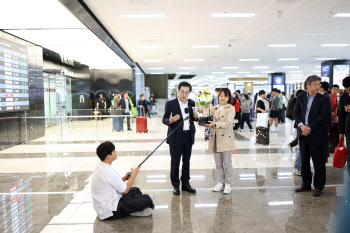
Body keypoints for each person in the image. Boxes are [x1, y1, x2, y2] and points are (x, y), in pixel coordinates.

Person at [91, 141, 154, 220]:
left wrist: (124, 178)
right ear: (108, 157)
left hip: (106, 204)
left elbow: (111, 183)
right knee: (146, 199)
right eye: (114, 151)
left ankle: (135, 207)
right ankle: (136, 207)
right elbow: (125, 191)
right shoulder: (108, 171)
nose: (116, 152)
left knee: (136, 190)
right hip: (110, 211)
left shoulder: (101, 166)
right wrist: (134, 174)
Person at [294, 75, 331, 197]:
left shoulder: (324, 98)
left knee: (318, 161)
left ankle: (319, 186)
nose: (317, 86)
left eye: (318, 84)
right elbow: (296, 112)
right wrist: (301, 126)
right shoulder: (301, 97)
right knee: (304, 160)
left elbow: (323, 116)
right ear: (307, 86)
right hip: (303, 133)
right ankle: (306, 184)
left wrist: (309, 127)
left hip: (316, 134)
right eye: (315, 84)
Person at [162, 81, 199, 195]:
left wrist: (196, 118)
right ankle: (175, 185)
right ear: (178, 91)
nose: (184, 94)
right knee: (175, 161)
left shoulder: (192, 104)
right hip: (175, 137)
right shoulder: (171, 104)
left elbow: (192, 119)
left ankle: (186, 184)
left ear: (189, 93)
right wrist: (170, 120)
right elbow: (164, 119)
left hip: (188, 135)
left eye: (187, 92)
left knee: (186, 161)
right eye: (182, 92)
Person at [205, 88, 235, 194]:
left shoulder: (231, 108)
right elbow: (210, 119)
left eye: (225, 96)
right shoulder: (214, 108)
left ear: (229, 98)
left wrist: (215, 124)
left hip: (226, 138)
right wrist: (206, 122)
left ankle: (228, 183)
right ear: (218, 97)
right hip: (215, 138)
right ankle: (221, 182)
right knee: (218, 164)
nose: (223, 98)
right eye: (221, 96)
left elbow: (228, 123)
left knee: (227, 163)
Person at [338, 76, 350, 177]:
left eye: (349, 89)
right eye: (346, 89)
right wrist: (341, 132)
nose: (347, 91)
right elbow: (341, 115)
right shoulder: (344, 97)